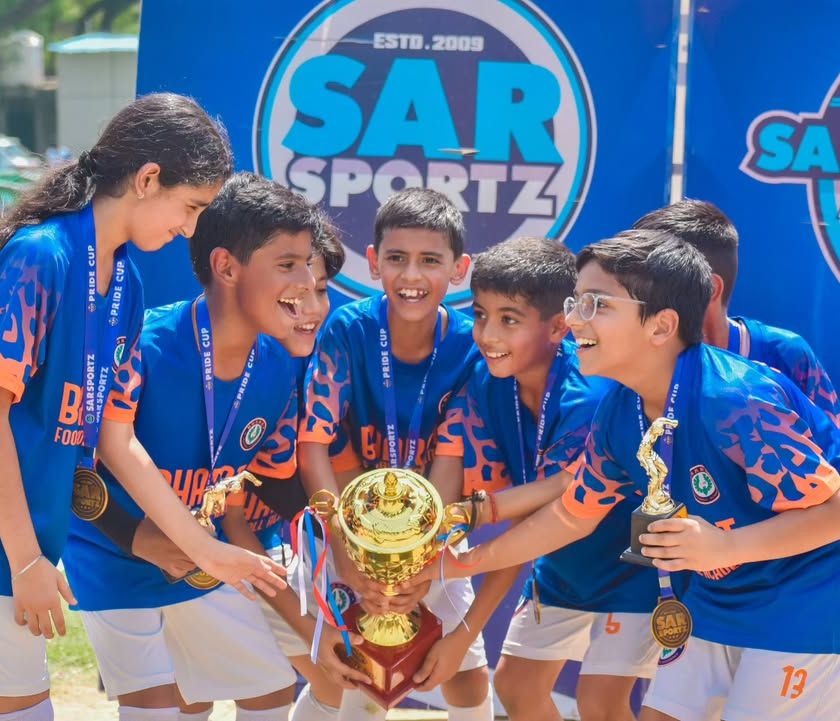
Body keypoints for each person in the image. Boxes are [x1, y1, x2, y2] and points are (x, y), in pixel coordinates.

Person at [407, 229, 840, 721]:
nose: (574, 318)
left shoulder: (733, 400)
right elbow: (571, 516)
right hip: (716, 600)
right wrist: (459, 563)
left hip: (807, 602)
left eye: (596, 304)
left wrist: (726, 547)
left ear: (661, 326)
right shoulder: (619, 408)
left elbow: (834, 512)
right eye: (575, 302)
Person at [0, 94, 286, 721]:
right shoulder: (42, 255)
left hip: (31, 546)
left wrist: (205, 550)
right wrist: (24, 558)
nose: (190, 229)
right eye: (191, 207)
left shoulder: (126, 281)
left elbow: (115, 441)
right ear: (148, 178)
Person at [60, 173, 331, 721]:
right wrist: (133, 535)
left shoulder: (281, 365)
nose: (307, 281)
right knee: (156, 705)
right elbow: (68, 461)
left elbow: (269, 482)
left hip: (200, 557)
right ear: (226, 267)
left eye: (308, 264)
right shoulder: (143, 345)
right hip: (110, 547)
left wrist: (353, 533)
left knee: (269, 691)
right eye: (288, 264)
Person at [418, 237, 657, 721]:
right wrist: (424, 546)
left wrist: (463, 629)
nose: (488, 334)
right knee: (516, 686)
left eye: (509, 319)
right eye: (480, 314)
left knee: (601, 701)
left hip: (632, 568)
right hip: (561, 570)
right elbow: (454, 467)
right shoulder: (484, 380)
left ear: (558, 326)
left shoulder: (588, 393)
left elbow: (560, 498)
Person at [298, 188, 492, 720]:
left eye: (430, 260)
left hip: (434, 534)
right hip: (348, 527)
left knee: (466, 673)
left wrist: (421, 563)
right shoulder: (347, 330)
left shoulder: (469, 347)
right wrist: (345, 551)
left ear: (459, 269)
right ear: (373, 261)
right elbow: (313, 446)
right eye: (397, 258)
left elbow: (451, 459)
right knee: (352, 674)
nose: (411, 275)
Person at [633, 199, 839, 424]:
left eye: (650, 284)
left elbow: (829, 443)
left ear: (709, 289)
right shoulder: (630, 363)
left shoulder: (787, 357)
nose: (637, 298)